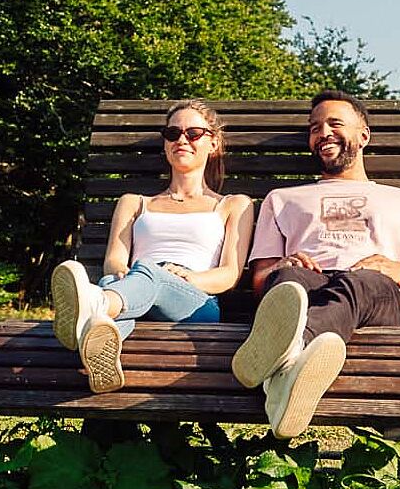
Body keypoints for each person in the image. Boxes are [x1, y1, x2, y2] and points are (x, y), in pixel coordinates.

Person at [232, 89, 400, 439]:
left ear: (364, 136)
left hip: (377, 293)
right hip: (305, 289)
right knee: (288, 279)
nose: (323, 133)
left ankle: (282, 359)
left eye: (335, 123)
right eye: (314, 127)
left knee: (358, 282)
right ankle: (288, 377)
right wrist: (281, 266)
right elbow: (262, 281)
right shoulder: (282, 199)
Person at [50, 100, 255, 394]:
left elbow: (229, 274)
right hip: (134, 292)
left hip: (195, 303)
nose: (182, 139)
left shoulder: (233, 204)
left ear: (213, 142)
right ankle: (100, 354)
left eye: (193, 133)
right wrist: (127, 275)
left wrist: (186, 277)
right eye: (173, 134)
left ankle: (94, 304)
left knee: (144, 272)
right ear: (165, 144)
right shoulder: (133, 202)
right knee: (118, 279)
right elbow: (115, 262)